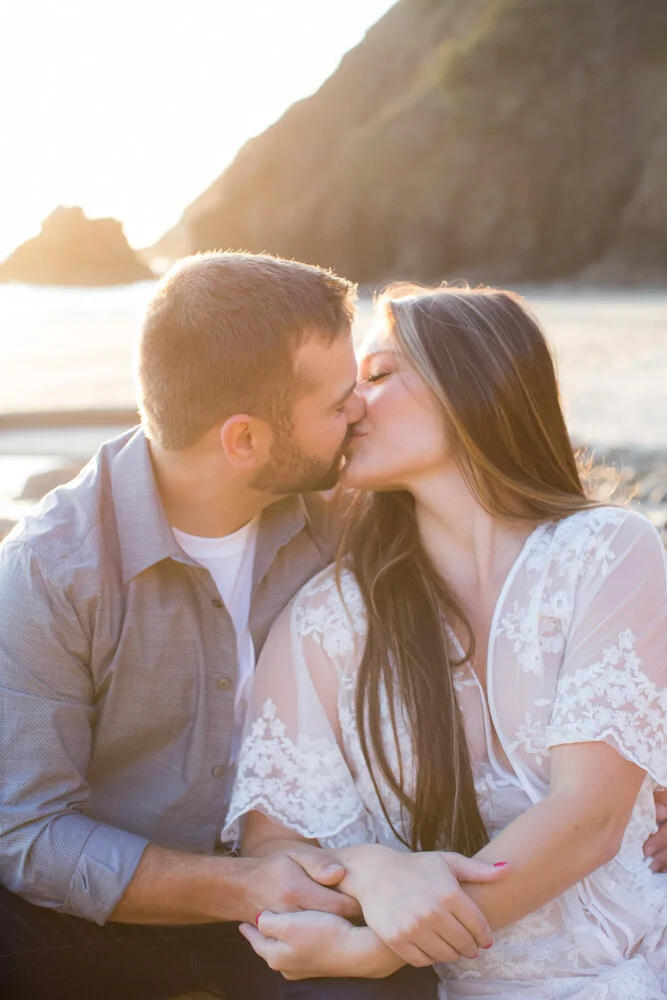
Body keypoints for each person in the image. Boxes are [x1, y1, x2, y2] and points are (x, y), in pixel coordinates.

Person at [0, 254, 447, 1000]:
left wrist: (637, 774)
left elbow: (519, 605)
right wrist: (240, 886)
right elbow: (28, 831)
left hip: (310, 900)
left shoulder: (349, 510)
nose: (360, 412)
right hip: (104, 917)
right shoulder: (49, 569)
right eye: (339, 400)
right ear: (243, 440)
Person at [225, 284, 667, 998]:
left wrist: (381, 949)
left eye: (376, 375)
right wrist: (368, 869)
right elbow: (274, 840)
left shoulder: (606, 550)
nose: (352, 404)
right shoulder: (326, 619)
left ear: (471, 384)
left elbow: (588, 818)